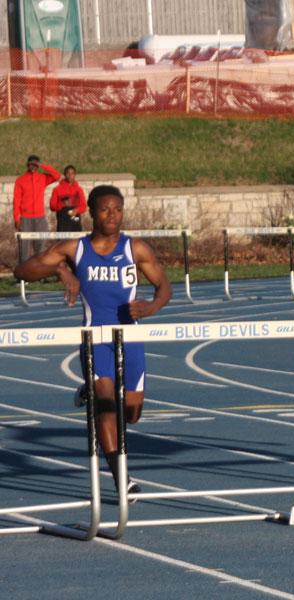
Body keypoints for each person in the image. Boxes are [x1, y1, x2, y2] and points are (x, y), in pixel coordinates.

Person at [14, 185, 172, 498]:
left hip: (130, 337)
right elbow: (22, 270)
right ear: (91, 212)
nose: (112, 215)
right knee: (107, 407)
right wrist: (61, 269)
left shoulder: (135, 249)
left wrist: (151, 307)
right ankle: (121, 480)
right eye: (105, 209)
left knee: (132, 412)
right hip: (96, 337)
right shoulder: (75, 249)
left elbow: (164, 286)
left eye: (118, 209)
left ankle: (89, 390)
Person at [13, 155, 61, 263]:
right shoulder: (20, 180)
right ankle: (24, 275)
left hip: (40, 217)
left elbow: (57, 176)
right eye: (31, 164)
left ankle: (40, 274)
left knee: (41, 245)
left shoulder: (43, 178)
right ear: (27, 165)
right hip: (25, 218)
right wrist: (16, 218)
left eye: (35, 164)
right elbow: (16, 200)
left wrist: (42, 165)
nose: (33, 166)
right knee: (24, 247)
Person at [49, 165, 87, 232]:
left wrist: (76, 210)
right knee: (63, 241)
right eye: (68, 173)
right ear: (65, 175)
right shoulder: (57, 189)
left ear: (75, 175)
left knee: (76, 239)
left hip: (75, 218)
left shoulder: (79, 189)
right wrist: (62, 204)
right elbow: (52, 206)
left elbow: (83, 206)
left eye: (72, 173)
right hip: (63, 218)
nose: (70, 175)